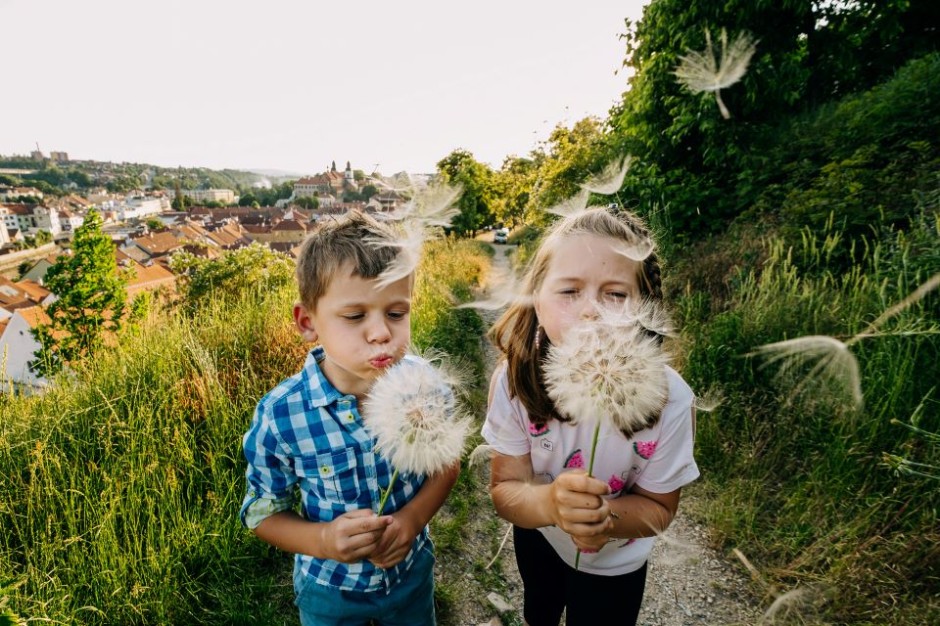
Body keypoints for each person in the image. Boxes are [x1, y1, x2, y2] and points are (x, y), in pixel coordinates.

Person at [481, 206, 699, 626]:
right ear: (537, 301)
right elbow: (506, 489)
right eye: (569, 291)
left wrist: (606, 518)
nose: (590, 311)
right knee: (538, 612)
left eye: (615, 294)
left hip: (616, 566)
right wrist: (548, 504)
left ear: (644, 309)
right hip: (540, 537)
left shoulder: (671, 401)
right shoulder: (514, 383)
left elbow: (659, 508)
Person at [240, 210, 460, 626]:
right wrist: (322, 539)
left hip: (410, 576)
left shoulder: (425, 386)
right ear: (308, 322)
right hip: (328, 590)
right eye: (356, 316)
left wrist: (412, 520)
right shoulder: (282, 415)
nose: (381, 333)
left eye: (396, 313)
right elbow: (261, 512)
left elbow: (446, 466)